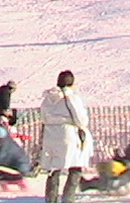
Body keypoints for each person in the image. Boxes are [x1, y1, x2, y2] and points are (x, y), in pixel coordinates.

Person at [39, 70, 93, 203]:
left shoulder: (48, 98)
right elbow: (81, 120)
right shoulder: (71, 97)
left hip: (50, 134)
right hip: (68, 134)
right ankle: (68, 199)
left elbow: (43, 117)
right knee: (75, 166)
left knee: (54, 169)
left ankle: (50, 199)